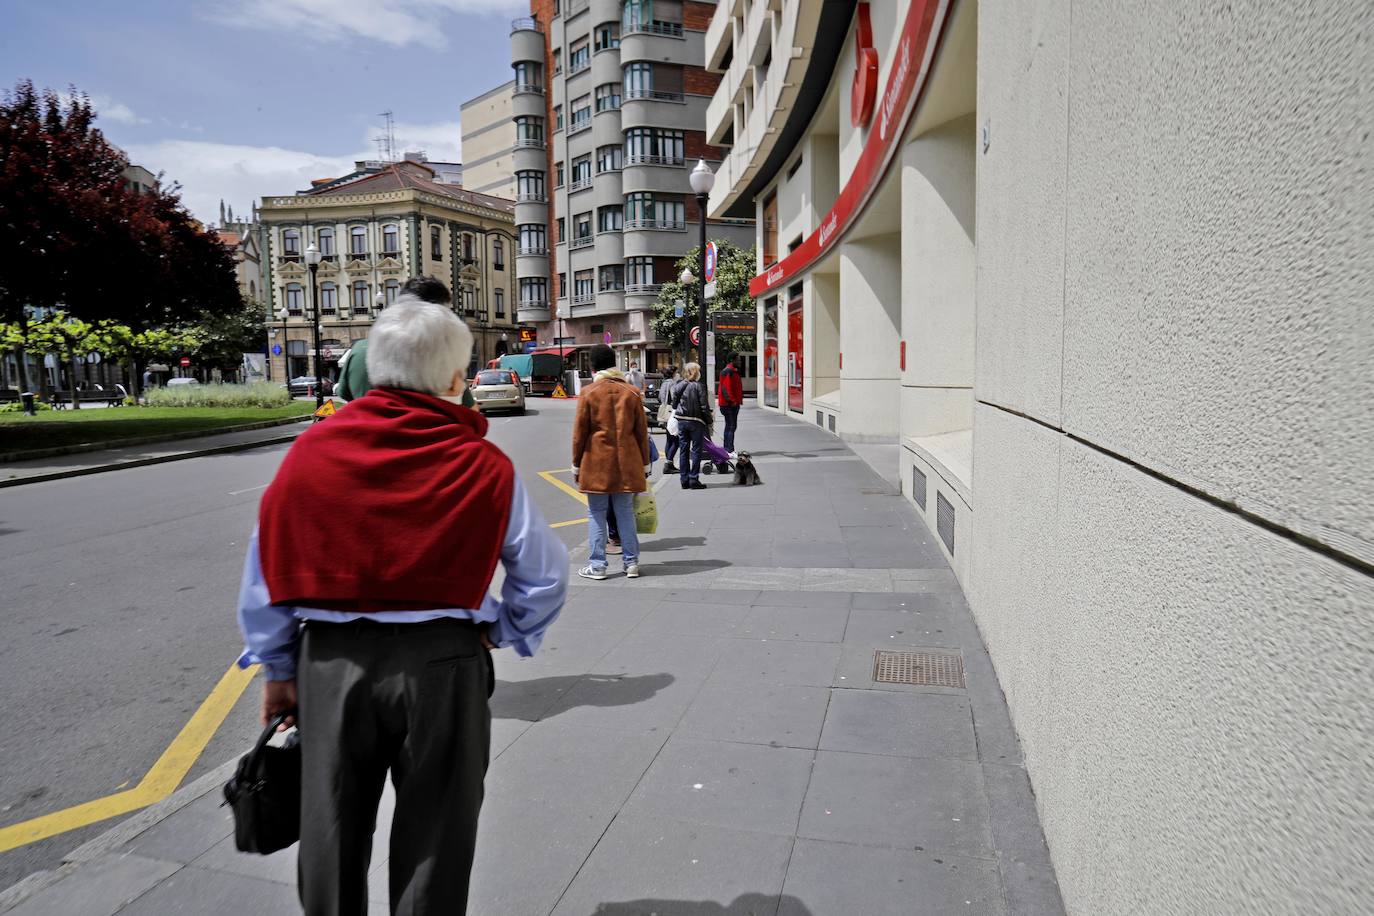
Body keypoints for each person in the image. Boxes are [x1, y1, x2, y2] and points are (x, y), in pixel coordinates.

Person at [235, 298, 568, 915]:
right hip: (442, 661)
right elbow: (544, 575)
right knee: (437, 834)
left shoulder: (308, 456)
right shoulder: (481, 463)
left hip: (331, 663)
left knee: (331, 826)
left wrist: (278, 670)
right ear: (451, 379)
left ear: (374, 369)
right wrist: (500, 630)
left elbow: (265, 575)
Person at [335, 276, 476, 409]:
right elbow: (471, 410)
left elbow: (346, 396)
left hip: (362, 431)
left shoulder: (358, 350)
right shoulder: (439, 352)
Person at [573, 343, 650, 580]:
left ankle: (597, 566)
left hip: (596, 464)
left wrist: (576, 464)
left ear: (593, 365)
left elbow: (579, 434)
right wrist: (645, 464)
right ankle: (631, 563)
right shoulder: (631, 392)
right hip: (627, 463)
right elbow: (641, 433)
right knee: (625, 512)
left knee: (596, 513)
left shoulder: (588, 393)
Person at [673, 362, 711, 490]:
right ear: (696, 372)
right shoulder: (698, 386)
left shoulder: (679, 385)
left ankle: (684, 480)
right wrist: (709, 421)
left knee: (683, 451)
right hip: (696, 421)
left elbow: (674, 404)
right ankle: (694, 479)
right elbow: (704, 406)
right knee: (696, 450)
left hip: (682, 421)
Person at [718, 359, 743, 455]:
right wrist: (732, 401)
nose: (740, 361)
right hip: (729, 405)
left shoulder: (732, 371)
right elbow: (726, 388)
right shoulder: (728, 371)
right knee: (730, 426)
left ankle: (727, 448)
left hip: (730, 404)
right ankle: (729, 449)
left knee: (730, 426)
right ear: (733, 360)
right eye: (738, 359)